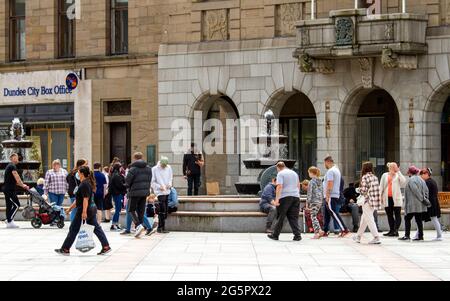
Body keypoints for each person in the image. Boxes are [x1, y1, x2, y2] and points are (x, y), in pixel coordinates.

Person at [55, 166, 111, 256]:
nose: (77, 174)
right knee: (96, 228)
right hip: (91, 208)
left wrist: (84, 212)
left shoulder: (84, 184)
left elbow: (85, 199)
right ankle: (106, 246)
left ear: (81, 173)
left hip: (85, 210)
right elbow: (78, 200)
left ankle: (65, 249)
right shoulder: (86, 183)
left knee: (73, 229)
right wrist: (70, 208)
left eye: (78, 172)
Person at [267, 162, 302, 241]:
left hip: (285, 197)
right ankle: (297, 235)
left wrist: (277, 200)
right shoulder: (294, 173)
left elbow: (279, 186)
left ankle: (275, 235)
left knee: (280, 216)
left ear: (278, 167)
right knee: (293, 217)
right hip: (295, 197)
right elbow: (298, 185)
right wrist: (297, 195)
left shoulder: (280, 173)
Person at [399, 166, 431, 241]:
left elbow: (415, 191)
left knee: (407, 218)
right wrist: (425, 199)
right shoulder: (421, 179)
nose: (408, 174)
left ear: (410, 172)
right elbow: (426, 190)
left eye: (408, 172)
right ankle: (420, 236)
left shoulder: (411, 180)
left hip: (412, 205)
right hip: (420, 205)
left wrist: (422, 199)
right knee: (419, 220)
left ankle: (407, 236)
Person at [353, 162, 382, 244]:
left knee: (369, 219)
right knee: (364, 219)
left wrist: (357, 189)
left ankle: (376, 237)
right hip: (374, 201)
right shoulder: (375, 177)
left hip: (367, 201)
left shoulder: (365, 177)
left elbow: (363, 190)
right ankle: (358, 236)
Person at [125, 152, 153, 238]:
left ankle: (138, 225)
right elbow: (149, 180)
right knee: (141, 211)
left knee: (130, 209)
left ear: (134, 158)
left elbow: (127, 182)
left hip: (134, 192)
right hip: (144, 192)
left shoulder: (133, 169)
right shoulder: (148, 168)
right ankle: (139, 227)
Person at [321, 156, 350, 237]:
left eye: (324, 163)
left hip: (331, 196)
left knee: (334, 213)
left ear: (327, 162)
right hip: (333, 195)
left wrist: (327, 195)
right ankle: (325, 230)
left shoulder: (330, 171)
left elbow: (330, 183)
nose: (324, 165)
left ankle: (344, 229)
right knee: (327, 213)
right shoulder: (336, 170)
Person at [379, 162, 406, 237]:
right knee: (389, 215)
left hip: (396, 199)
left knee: (397, 215)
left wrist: (399, 172)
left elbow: (404, 182)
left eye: (395, 167)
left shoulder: (398, 175)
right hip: (387, 198)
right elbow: (381, 186)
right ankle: (391, 230)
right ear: (390, 167)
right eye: (393, 167)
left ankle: (395, 230)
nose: (394, 168)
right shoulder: (385, 175)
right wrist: (380, 196)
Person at [2, 153, 29, 228]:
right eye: (16, 158)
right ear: (12, 158)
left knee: (9, 205)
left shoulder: (10, 166)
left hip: (8, 189)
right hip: (9, 190)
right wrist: (23, 185)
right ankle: (9, 220)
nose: (18, 159)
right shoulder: (12, 166)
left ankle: (9, 221)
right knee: (17, 205)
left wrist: (22, 185)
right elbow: (16, 177)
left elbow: (15, 181)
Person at [420, 168, 443, 241]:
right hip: (433, 203)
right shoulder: (432, 181)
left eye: (422, 174)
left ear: (426, 174)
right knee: (431, 219)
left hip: (430, 204)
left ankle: (439, 236)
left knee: (429, 219)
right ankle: (439, 235)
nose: (421, 176)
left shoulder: (427, 182)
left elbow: (425, 193)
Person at [151, 156, 173, 234]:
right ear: (160, 163)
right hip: (160, 192)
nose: (164, 167)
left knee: (165, 210)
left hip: (167, 191)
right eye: (163, 165)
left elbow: (170, 178)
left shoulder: (169, 167)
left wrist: (169, 184)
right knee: (162, 209)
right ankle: (160, 227)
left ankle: (162, 227)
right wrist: (160, 187)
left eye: (165, 165)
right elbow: (152, 182)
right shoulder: (154, 169)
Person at [306, 166, 324, 239]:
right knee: (315, 216)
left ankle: (317, 232)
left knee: (313, 216)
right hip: (319, 201)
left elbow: (309, 193)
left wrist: (308, 203)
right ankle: (319, 230)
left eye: (309, 173)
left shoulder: (311, 182)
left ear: (311, 173)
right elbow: (322, 191)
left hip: (313, 201)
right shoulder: (320, 181)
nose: (309, 174)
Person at [109, 163, 127, 231]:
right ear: (119, 168)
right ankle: (113, 225)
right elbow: (120, 185)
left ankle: (115, 224)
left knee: (118, 209)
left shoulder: (114, 174)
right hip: (118, 194)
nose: (122, 168)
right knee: (118, 209)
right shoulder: (116, 175)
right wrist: (126, 185)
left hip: (116, 194)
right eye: (121, 167)